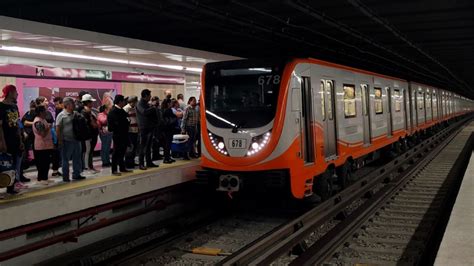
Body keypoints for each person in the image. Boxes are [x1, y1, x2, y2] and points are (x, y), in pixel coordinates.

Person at [0, 85, 24, 194]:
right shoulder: (1, 106)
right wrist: (2, 142)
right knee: (3, 164)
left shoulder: (15, 107)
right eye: (15, 91)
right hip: (5, 139)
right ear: (10, 93)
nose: (17, 94)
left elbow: (17, 124)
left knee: (14, 163)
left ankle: (11, 187)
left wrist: (20, 140)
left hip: (15, 139)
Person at [56, 97, 85, 182]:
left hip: (76, 140)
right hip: (66, 141)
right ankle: (65, 177)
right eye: (72, 103)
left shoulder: (76, 114)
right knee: (65, 160)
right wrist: (60, 140)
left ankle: (76, 174)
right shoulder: (61, 115)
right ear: (67, 105)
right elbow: (58, 128)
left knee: (77, 158)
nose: (74, 105)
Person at [107, 95, 131, 176]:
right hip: (118, 134)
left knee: (122, 151)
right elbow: (111, 125)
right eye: (123, 101)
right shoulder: (113, 111)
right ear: (120, 102)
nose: (124, 102)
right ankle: (114, 170)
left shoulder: (121, 110)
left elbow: (127, 119)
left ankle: (122, 167)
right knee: (116, 152)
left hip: (124, 134)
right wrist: (122, 124)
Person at [136, 89, 158, 170]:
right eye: (149, 96)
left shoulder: (147, 104)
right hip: (144, 128)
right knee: (143, 146)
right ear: (145, 96)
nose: (150, 97)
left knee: (149, 146)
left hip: (150, 127)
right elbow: (144, 112)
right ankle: (141, 163)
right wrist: (153, 107)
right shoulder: (139, 104)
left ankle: (149, 162)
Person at [33, 105, 54, 185]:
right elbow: (42, 134)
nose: (46, 112)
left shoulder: (42, 120)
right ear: (41, 112)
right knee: (42, 163)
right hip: (41, 146)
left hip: (46, 145)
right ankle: (41, 179)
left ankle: (44, 178)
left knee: (46, 163)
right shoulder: (38, 121)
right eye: (45, 111)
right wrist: (48, 127)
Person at [81, 94, 99, 173]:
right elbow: (91, 124)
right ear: (87, 102)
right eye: (91, 102)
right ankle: (87, 167)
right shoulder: (85, 112)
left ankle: (90, 166)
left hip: (93, 134)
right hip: (88, 135)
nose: (92, 103)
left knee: (90, 151)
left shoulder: (90, 111)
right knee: (87, 151)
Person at [123, 96, 139, 168]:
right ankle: (128, 163)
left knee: (134, 147)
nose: (136, 103)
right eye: (136, 101)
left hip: (135, 130)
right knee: (130, 147)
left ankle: (132, 161)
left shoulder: (134, 108)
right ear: (132, 102)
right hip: (130, 130)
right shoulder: (126, 108)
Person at [161, 99, 176, 164]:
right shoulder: (168, 110)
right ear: (168, 104)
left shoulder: (162, 110)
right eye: (170, 103)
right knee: (168, 144)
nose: (171, 104)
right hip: (169, 128)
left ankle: (167, 157)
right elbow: (174, 116)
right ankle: (166, 158)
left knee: (166, 144)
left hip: (164, 129)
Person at [52, 96, 64, 177]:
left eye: (57, 104)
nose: (56, 106)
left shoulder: (65, 111)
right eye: (55, 105)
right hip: (59, 136)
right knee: (58, 153)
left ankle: (60, 168)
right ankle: (58, 169)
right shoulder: (58, 111)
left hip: (64, 136)